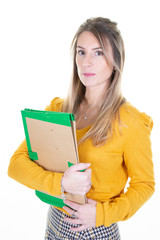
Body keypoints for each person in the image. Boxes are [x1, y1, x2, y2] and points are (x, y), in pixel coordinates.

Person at [8, 17, 155, 240]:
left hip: (96, 228)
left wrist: (102, 214)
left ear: (115, 59)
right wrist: (61, 183)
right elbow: (16, 164)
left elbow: (145, 185)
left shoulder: (130, 122)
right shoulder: (59, 109)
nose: (86, 62)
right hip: (55, 221)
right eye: (81, 51)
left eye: (98, 52)